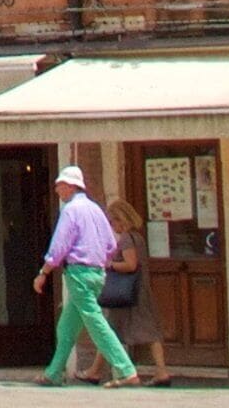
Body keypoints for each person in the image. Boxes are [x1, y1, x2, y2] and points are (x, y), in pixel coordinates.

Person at [33, 163, 152, 387]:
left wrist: (44, 272)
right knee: (67, 326)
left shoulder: (70, 211)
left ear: (70, 187)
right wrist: (102, 265)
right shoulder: (96, 209)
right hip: (96, 273)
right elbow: (110, 244)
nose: (57, 190)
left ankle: (126, 370)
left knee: (96, 323)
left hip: (79, 273)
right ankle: (54, 372)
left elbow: (59, 246)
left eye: (59, 185)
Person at [58, 190, 151, 385]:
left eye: (112, 222)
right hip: (136, 291)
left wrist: (108, 265)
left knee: (102, 327)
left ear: (120, 220)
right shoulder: (138, 237)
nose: (111, 226)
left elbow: (130, 264)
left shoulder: (126, 239)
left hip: (126, 292)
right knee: (101, 327)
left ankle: (125, 370)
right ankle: (86, 370)